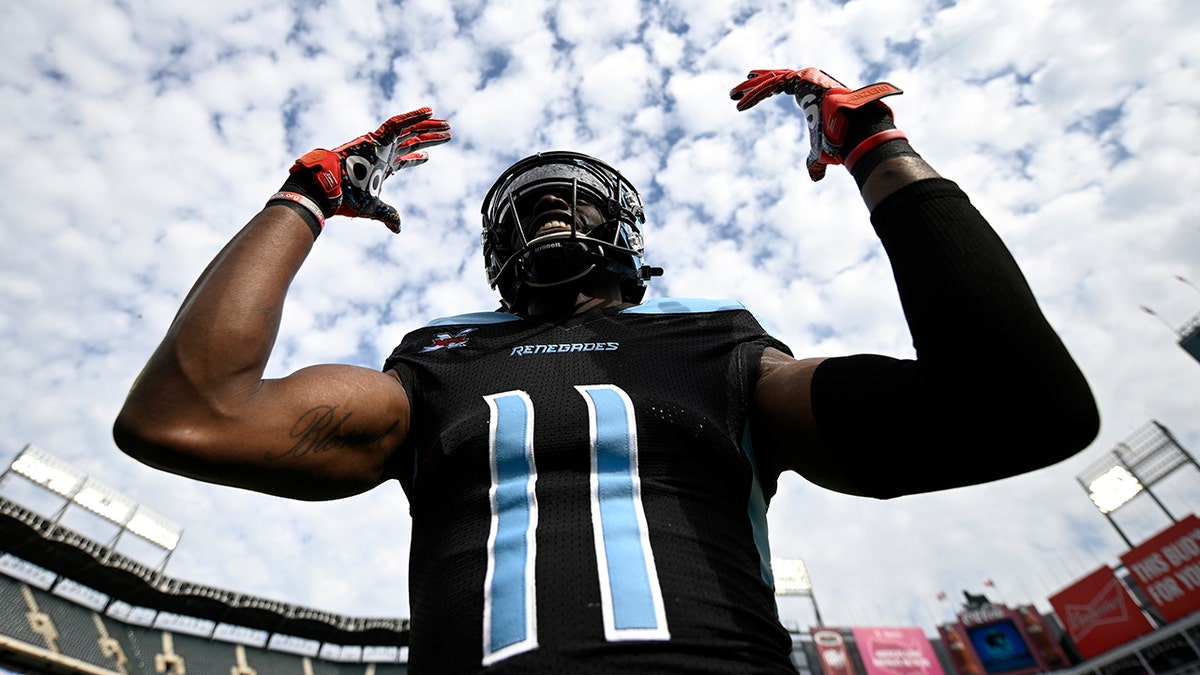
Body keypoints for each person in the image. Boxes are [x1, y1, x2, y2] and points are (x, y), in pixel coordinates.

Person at [114, 67, 1100, 673]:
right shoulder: (433, 367)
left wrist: (878, 147)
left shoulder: (725, 350)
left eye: (573, 207)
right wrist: (306, 196)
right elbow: (188, 415)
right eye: (533, 209)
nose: (553, 216)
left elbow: (1020, 408)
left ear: (625, 237)